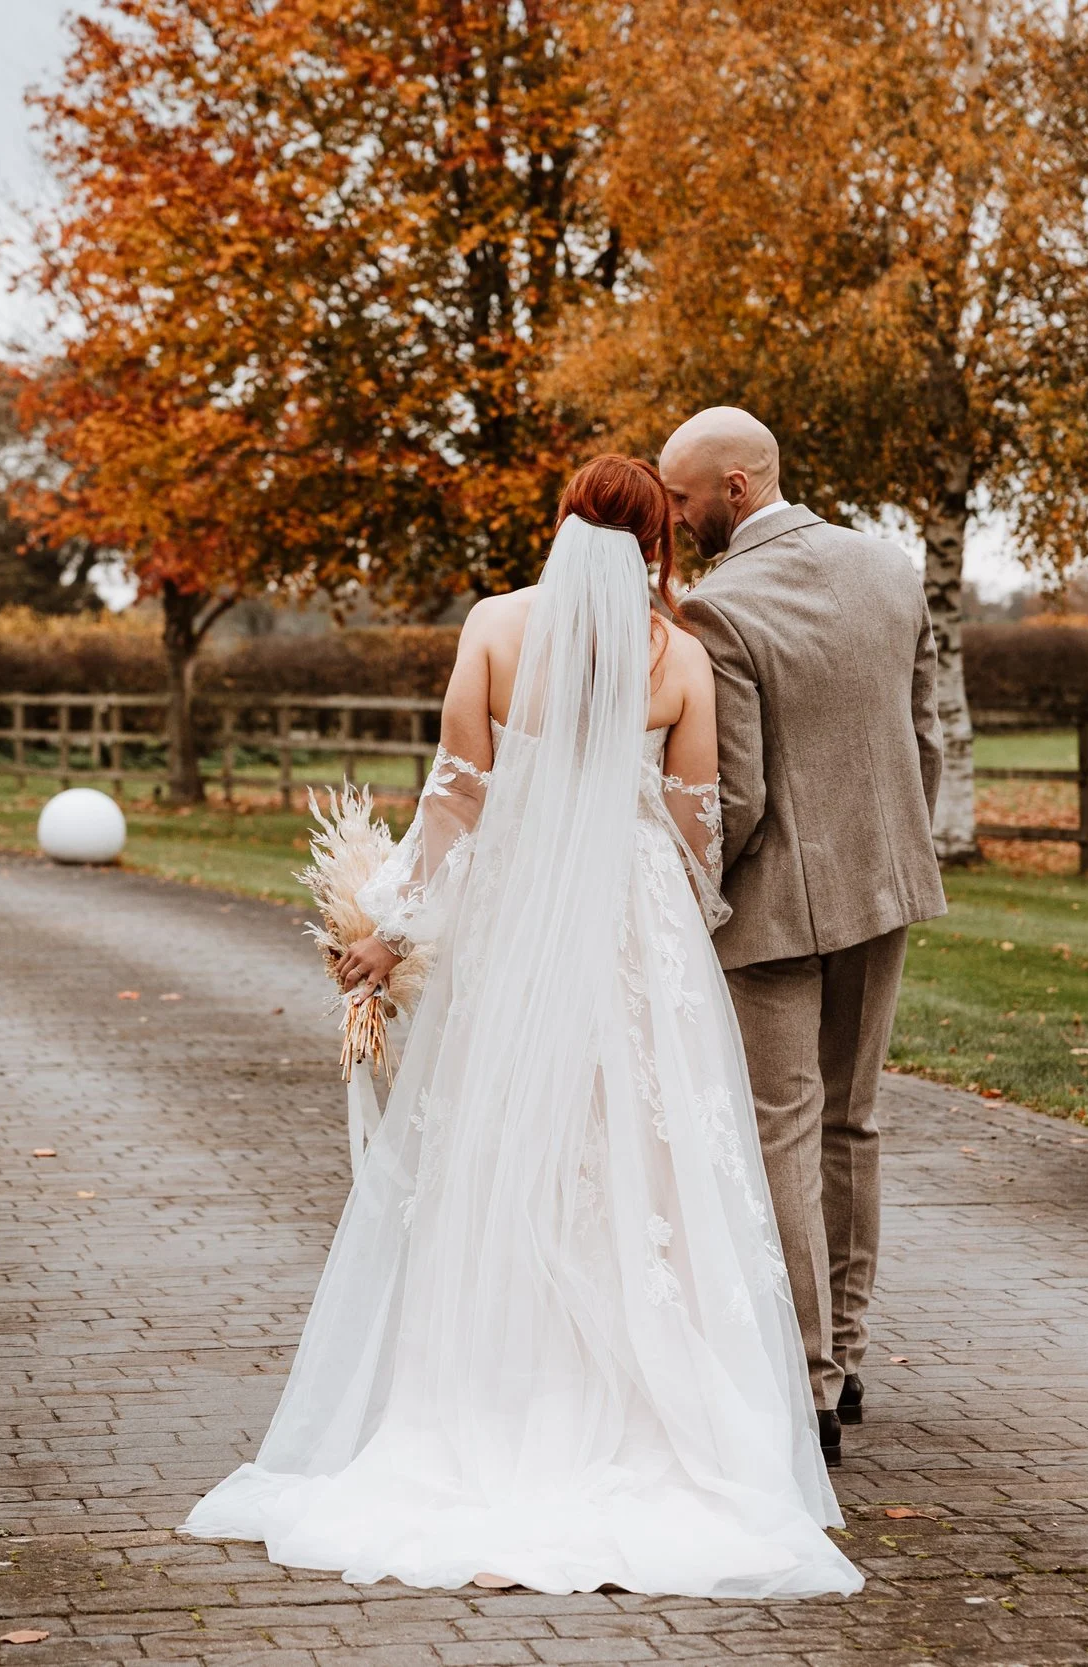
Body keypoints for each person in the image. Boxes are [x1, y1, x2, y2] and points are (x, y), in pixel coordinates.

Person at [182, 455, 860, 1598]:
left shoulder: (496, 628)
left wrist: (392, 925)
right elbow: (701, 828)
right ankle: (652, 1412)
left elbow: (455, 798)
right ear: (658, 544)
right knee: (647, 1167)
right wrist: (678, 923)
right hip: (632, 927)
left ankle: (487, 1401)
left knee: (500, 1146)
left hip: (515, 914)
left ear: (558, 523)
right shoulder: (677, 655)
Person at [660, 407, 945, 1467]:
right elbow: (917, 732)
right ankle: (853, 1355)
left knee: (782, 1125)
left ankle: (807, 1376)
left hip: (774, 904)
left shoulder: (716, 607)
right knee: (853, 1121)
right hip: (885, 876)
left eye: (684, 495)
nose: (677, 515)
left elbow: (736, 794)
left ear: (734, 486)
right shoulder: (890, 568)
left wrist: (682, 893)